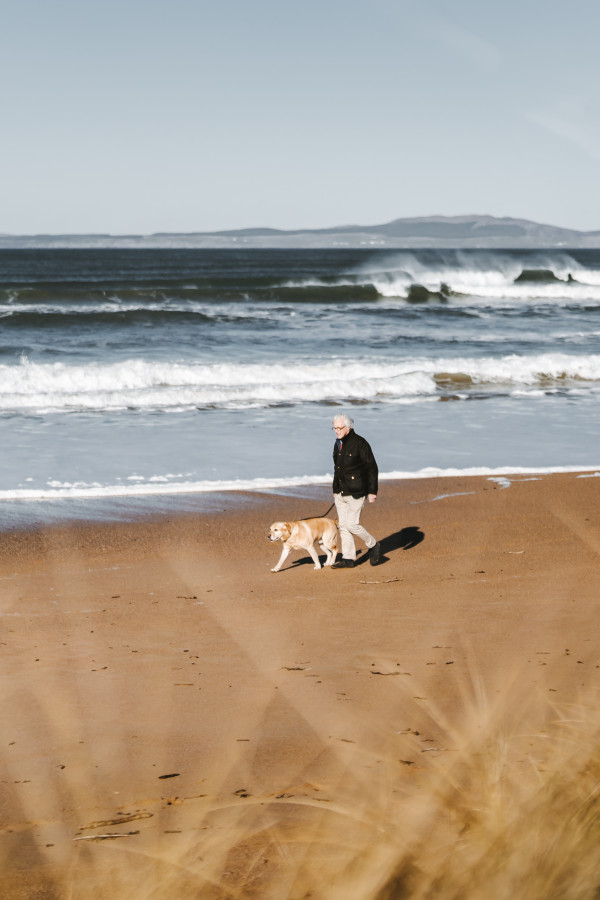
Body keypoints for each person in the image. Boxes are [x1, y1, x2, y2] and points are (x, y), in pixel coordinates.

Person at [331, 413, 381, 568]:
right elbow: (337, 468)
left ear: (348, 427)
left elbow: (372, 467)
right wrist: (335, 488)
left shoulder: (360, 443)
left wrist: (372, 492)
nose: (336, 431)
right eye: (334, 428)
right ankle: (348, 558)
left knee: (352, 525)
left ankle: (373, 544)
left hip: (357, 491)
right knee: (343, 526)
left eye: (339, 428)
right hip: (340, 492)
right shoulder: (338, 443)